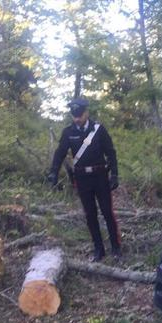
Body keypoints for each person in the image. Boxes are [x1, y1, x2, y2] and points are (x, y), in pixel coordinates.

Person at [48, 98, 121, 261]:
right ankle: (99, 249)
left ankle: (116, 247)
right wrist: (53, 172)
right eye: (74, 115)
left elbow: (111, 152)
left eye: (80, 115)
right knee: (90, 214)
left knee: (107, 212)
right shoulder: (68, 132)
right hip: (82, 179)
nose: (77, 119)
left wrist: (114, 174)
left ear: (86, 112)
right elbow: (60, 153)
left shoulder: (98, 129)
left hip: (100, 176)